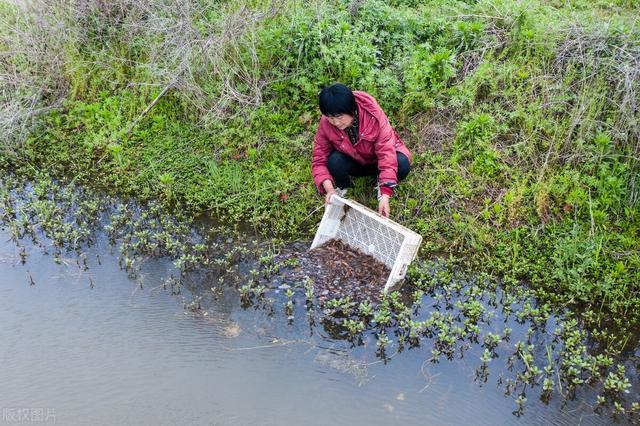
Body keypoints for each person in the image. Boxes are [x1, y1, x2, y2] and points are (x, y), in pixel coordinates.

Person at [311, 83, 412, 218]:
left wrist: (385, 195)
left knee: (402, 163)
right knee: (334, 161)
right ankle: (342, 191)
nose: (335, 122)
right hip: (356, 161)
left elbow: (386, 153)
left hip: (376, 160)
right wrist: (329, 189)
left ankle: (381, 184)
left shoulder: (373, 115)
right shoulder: (326, 124)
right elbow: (319, 159)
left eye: (339, 117)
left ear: (351, 109)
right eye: (330, 117)